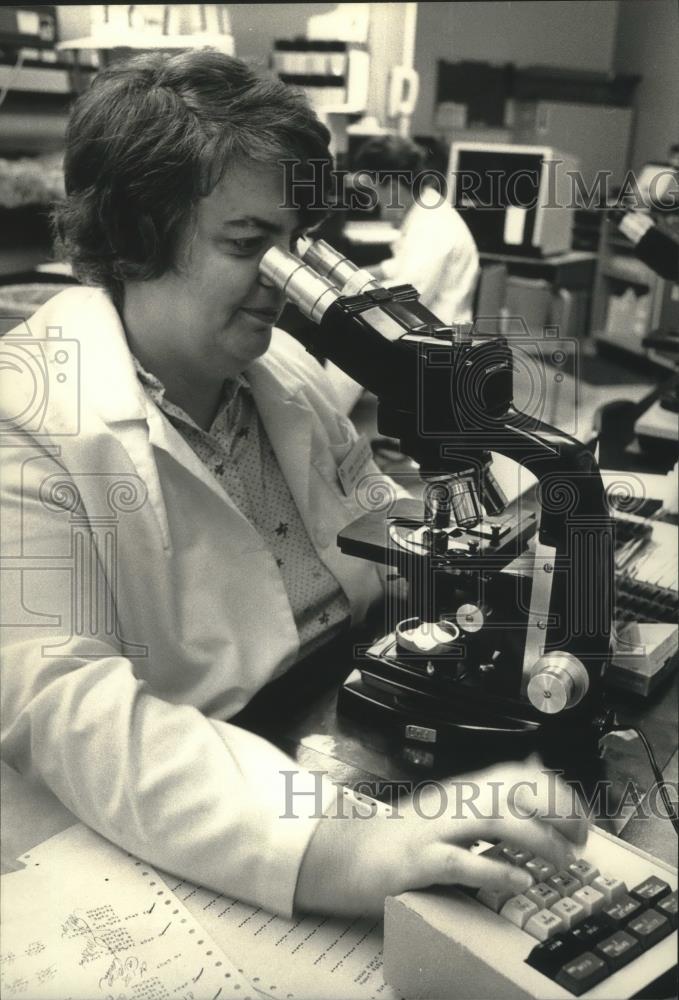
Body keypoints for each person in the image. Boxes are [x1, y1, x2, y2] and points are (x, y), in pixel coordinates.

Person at [1, 50, 587, 922]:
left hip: (338, 717)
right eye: (249, 246)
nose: (285, 284)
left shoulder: (283, 373)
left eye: (295, 244)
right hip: (209, 803)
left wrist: (518, 557)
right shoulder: (28, 413)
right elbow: (68, 709)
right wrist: (337, 846)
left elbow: (377, 523)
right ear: (133, 236)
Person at [353, 134, 481, 325]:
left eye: (372, 192)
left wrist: (349, 291)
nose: (371, 205)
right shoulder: (426, 207)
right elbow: (401, 266)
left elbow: (405, 301)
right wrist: (353, 275)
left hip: (435, 342)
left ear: (393, 189)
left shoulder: (432, 226)